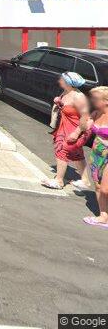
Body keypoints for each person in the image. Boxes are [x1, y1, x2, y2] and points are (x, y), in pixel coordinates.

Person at [41, 71, 93, 190]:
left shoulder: (78, 97)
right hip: (65, 126)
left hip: (77, 128)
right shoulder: (65, 92)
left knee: (61, 150)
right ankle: (85, 181)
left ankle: (59, 181)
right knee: (76, 154)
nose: (59, 81)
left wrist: (76, 133)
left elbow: (86, 117)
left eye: (62, 79)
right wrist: (58, 101)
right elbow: (65, 107)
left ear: (68, 83)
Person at [68, 86, 108, 228]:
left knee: (105, 189)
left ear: (106, 101)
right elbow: (85, 127)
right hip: (96, 154)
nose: (92, 101)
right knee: (98, 186)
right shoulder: (96, 113)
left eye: (95, 98)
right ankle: (103, 216)